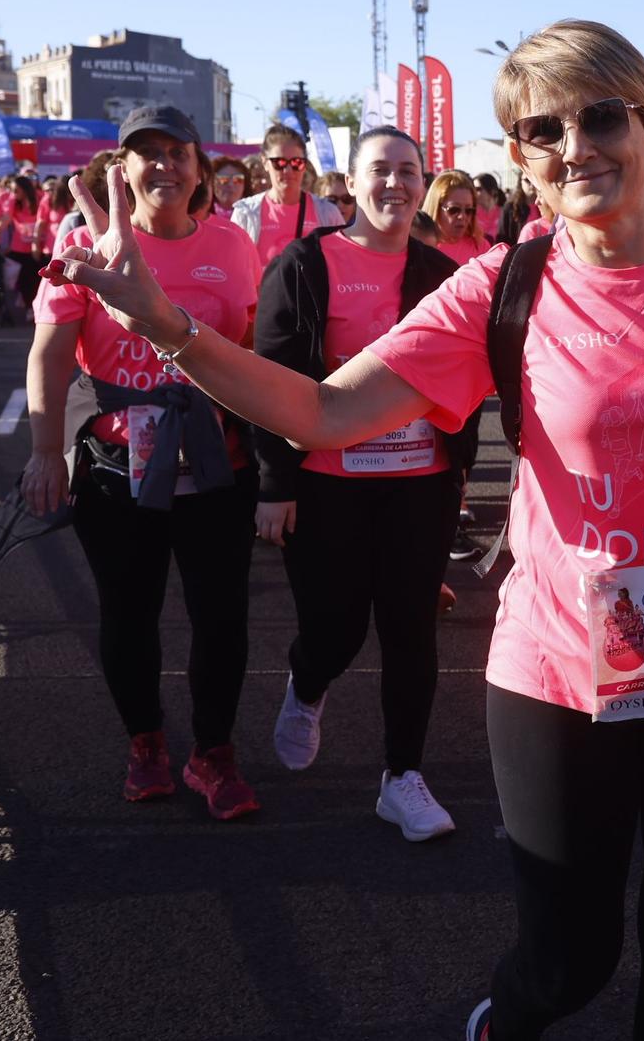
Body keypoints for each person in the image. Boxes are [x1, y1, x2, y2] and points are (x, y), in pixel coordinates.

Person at [40, 19, 644, 1041]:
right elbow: (325, 413)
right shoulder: (501, 288)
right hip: (561, 683)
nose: (577, 145)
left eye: (601, 117)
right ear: (520, 157)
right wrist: (164, 325)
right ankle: (506, 1019)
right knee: (572, 959)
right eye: (544, 130)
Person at [21, 105, 264, 821]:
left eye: (176, 152)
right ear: (120, 170)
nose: (162, 165)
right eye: (145, 153)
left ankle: (212, 752)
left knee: (221, 616)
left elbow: (243, 345)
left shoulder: (233, 242)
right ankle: (147, 741)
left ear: (201, 168)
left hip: (215, 465)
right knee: (130, 612)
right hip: (117, 467)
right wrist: (44, 452)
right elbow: (51, 352)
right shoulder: (82, 243)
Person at [254, 126, 476, 840]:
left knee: (410, 629)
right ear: (348, 182)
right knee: (336, 627)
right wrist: (274, 483)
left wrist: (462, 472)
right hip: (327, 484)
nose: (395, 184)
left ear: (424, 183)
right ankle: (307, 681)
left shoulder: (443, 271)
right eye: (379, 169)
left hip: (421, 483)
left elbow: (468, 377)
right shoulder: (304, 263)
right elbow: (275, 379)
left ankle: (402, 775)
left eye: (409, 171)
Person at [231, 125, 346, 271]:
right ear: (265, 163)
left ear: (304, 165)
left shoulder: (328, 213)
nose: (288, 171)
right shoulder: (245, 213)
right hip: (263, 294)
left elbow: (342, 265)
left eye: (296, 163)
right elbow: (235, 269)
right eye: (279, 163)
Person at [420, 169, 486, 266]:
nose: (462, 216)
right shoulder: (420, 248)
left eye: (469, 210)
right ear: (436, 208)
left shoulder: (480, 246)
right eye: (454, 210)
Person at [3, 175, 44, 317]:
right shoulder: (13, 201)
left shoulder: (40, 198)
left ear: (25, 189)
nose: (13, 193)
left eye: (16, 190)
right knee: (22, 278)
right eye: (12, 190)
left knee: (35, 278)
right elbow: (6, 219)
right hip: (19, 246)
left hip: (37, 246)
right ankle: (27, 303)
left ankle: (33, 305)